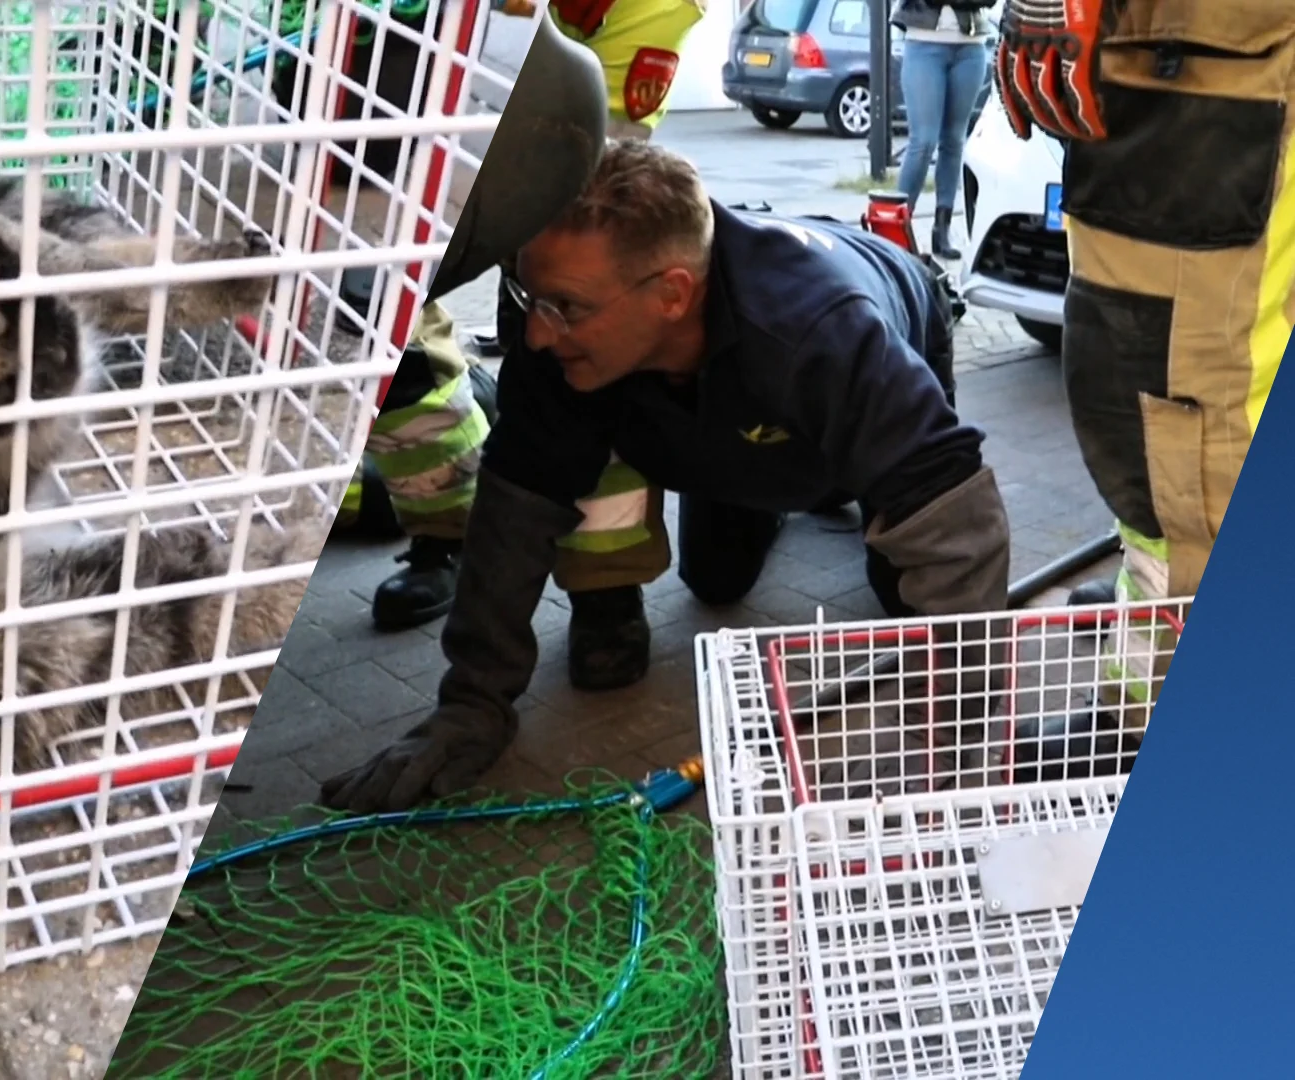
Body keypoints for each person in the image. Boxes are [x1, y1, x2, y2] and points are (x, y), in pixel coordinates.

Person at [320, 141, 1011, 814]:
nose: (535, 335)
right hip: (738, 405)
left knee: (905, 587)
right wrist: (473, 700)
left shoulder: (822, 334)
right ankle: (784, 480)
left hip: (885, 310)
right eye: (531, 299)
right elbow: (515, 513)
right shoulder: (560, 321)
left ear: (674, 294)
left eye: (564, 307)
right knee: (715, 583)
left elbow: (958, 527)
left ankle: (843, 482)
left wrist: (947, 743)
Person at [330, 0, 713, 693]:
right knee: (377, 324)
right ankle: (445, 526)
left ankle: (605, 583)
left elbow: (601, 173)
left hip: (585, 53)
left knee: (587, 328)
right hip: (398, 74)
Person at [995, 0, 1295, 727]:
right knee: (1152, 417)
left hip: (1207, 47)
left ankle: (1178, 748)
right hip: (1177, 52)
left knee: (1185, 437)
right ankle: (1143, 710)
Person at [892, 0, 999, 259]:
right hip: (924, 43)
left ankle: (942, 229)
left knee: (954, 140)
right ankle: (895, 230)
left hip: (970, 46)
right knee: (923, 141)